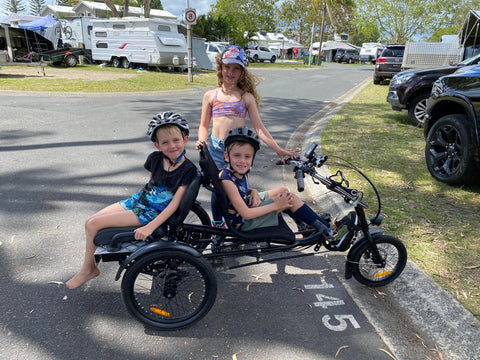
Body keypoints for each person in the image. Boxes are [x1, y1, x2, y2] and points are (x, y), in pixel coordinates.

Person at [66, 112, 197, 289]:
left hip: (151, 212)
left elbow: (174, 204)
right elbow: (150, 185)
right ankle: (91, 266)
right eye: (165, 142)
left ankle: (88, 270)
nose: (172, 146)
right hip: (138, 201)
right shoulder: (155, 158)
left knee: (93, 225)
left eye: (176, 140)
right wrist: (134, 204)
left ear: (185, 139)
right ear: (157, 145)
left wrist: (150, 227)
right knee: (90, 221)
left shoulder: (188, 169)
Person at [196, 45, 295, 226]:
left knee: (238, 189)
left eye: (236, 68)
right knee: (219, 189)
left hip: (237, 152)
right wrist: (202, 141)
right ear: (220, 68)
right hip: (217, 150)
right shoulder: (210, 96)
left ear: (242, 72)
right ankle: (217, 224)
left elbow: (260, 129)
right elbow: (203, 126)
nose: (231, 72)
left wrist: (278, 150)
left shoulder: (245, 98)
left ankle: (239, 223)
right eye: (227, 67)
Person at [219, 126, 344, 237]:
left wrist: (253, 191)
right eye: (237, 155)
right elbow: (246, 214)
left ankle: (304, 226)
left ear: (252, 157)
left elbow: (238, 191)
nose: (242, 161)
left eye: (247, 156)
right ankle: (329, 233)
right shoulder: (228, 180)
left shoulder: (236, 170)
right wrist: (277, 205)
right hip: (243, 222)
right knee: (290, 199)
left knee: (283, 190)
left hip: (244, 206)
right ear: (226, 156)